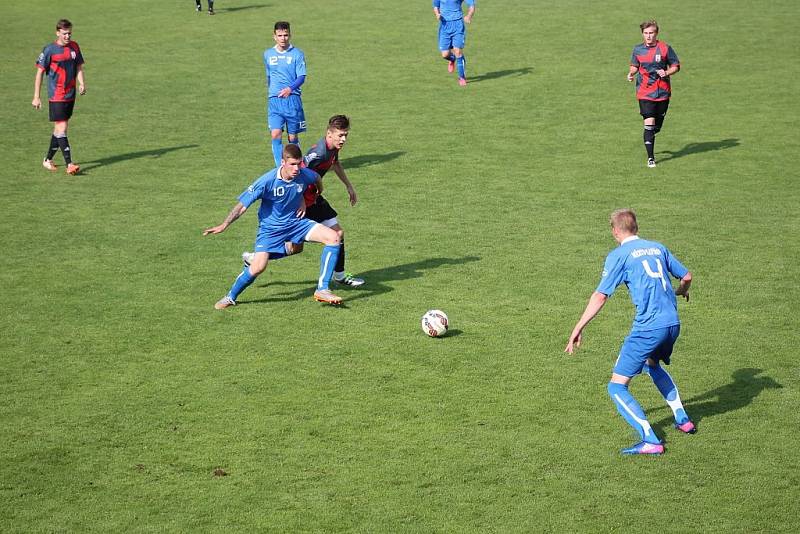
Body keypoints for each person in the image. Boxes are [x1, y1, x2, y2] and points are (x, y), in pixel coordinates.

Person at [565, 209, 695, 455]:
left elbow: (600, 296)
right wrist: (681, 290)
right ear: (636, 227)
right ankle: (683, 418)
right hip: (672, 324)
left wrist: (578, 327)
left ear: (615, 232)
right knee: (652, 365)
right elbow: (686, 276)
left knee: (616, 387)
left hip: (648, 328)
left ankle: (651, 441)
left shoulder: (619, 255)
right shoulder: (657, 247)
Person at [204, 144, 343, 308]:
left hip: (296, 223)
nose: (297, 168)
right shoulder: (267, 181)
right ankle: (230, 296)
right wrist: (224, 224)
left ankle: (322, 289)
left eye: (299, 163)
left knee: (334, 237)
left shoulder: (303, 174)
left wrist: (307, 198)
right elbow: (242, 206)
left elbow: (316, 179)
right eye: (292, 164)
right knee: (258, 268)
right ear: (283, 162)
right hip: (271, 230)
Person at [242, 115, 365, 287]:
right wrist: (300, 200)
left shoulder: (333, 147)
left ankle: (340, 275)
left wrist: (349, 186)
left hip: (314, 198)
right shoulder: (317, 154)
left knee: (338, 233)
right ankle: (256, 259)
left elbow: (335, 163)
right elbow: (298, 174)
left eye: (346, 135)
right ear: (329, 134)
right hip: (303, 202)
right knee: (296, 247)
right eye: (340, 135)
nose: (343, 139)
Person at [32, 19, 85, 175]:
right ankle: (70, 164)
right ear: (57, 33)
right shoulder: (50, 50)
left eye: (69, 33)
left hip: (71, 94)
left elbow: (79, 66)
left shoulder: (74, 47)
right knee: (62, 128)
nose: (67, 36)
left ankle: (47, 160)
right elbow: (40, 72)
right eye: (64, 33)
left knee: (59, 129)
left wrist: (82, 83)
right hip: (57, 95)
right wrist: (36, 96)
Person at [627, 20, 680, 168]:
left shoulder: (665, 48)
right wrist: (631, 74)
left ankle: (652, 133)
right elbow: (634, 66)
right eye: (646, 33)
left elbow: (676, 66)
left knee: (657, 126)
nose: (648, 36)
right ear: (642, 34)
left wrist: (667, 72)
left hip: (663, 92)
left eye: (651, 33)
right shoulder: (638, 50)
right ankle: (651, 158)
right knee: (649, 123)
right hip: (644, 93)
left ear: (656, 34)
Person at [264, 21, 307, 167]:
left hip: (292, 99)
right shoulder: (268, 54)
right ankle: (279, 167)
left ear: (290, 35)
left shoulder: (297, 54)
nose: (283, 38)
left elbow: (301, 77)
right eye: (280, 35)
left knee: (292, 137)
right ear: (274, 36)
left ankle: (298, 164)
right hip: (275, 101)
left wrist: (290, 88)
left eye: (286, 35)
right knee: (275, 134)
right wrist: (271, 92)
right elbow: (269, 76)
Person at [433, 0, 475, 86]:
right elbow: (436, 6)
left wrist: (469, 16)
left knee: (457, 51)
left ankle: (462, 77)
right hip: (444, 26)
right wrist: (437, 14)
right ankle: (452, 59)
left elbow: (471, 5)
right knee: (445, 54)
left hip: (458, 25)